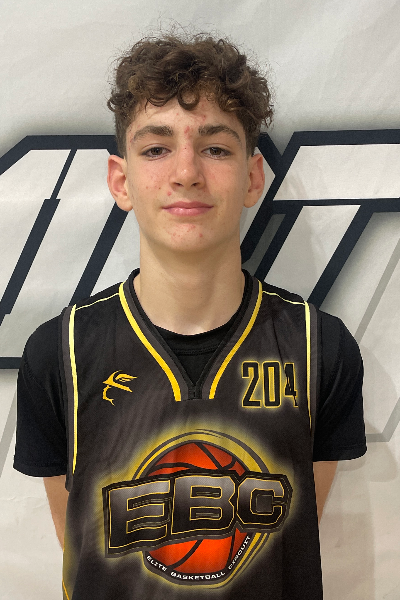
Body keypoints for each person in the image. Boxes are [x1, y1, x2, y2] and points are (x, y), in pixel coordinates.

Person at [14, 33, 366, 600]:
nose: (186, 172)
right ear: (121, 180)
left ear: (253, 177)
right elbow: (83, 554)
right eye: (156, 148)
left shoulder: (319, 347)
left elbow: (290, 547)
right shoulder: (60, 352)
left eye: (216, 148)